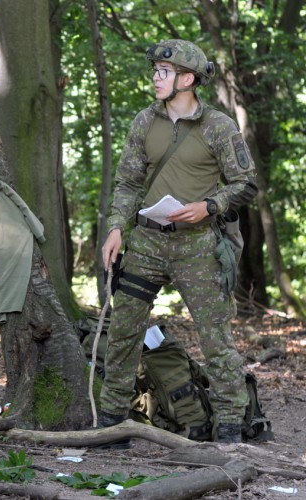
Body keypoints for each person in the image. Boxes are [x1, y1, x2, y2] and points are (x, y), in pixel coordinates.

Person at [100, 39, 258, 444]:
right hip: (147, 244)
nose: (155, 76)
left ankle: (229, 424)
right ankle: (112, 421)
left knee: (215, 337)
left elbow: (246, 184)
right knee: (123, 331)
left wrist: (210, 205)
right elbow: (128, 183)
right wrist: (117, 227)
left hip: (198, 246)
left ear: (187, 79)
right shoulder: (144, 122)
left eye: (164, 72)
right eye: (154, 69)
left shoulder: (218, 127)